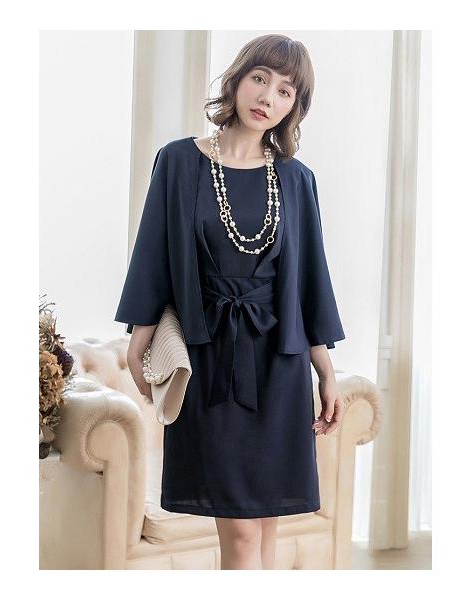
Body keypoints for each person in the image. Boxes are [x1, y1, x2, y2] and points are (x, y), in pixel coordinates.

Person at [115, 33, 346, 570]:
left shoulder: (296, 179)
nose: (267, 96)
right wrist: (139, 343)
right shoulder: (179, 162)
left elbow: (311, 280)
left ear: (295, 106)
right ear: (238, 79)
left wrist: (326, 372)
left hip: (280, 365)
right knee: (241, 531)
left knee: (263, 529)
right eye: (260, 78)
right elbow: (153, 256)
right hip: (210, 360)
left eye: (285, 90)